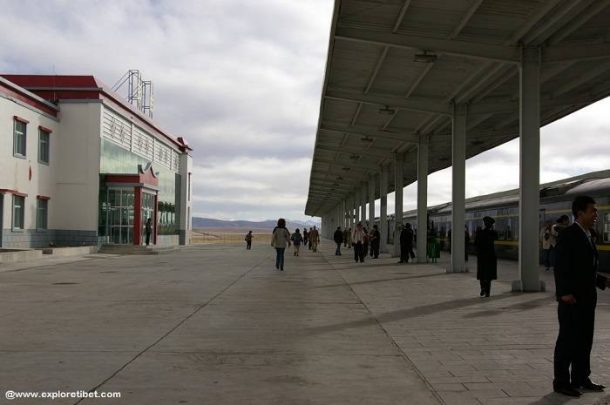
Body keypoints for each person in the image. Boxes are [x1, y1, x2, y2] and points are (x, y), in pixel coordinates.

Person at [552, 196, 609, 397]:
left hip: (587, 299)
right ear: (580, 213)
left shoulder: (587, 234)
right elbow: (561, 266)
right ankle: (561, 382)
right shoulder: (569, 235)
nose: (596, 215)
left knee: (585, 340)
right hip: (572, 299)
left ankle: (581, 378)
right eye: (593, 210)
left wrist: (602, 281)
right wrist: (564, 293)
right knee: (568, 341)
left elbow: (584, 269)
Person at [475, 216, 497, 297]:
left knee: (481, 274)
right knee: (489, 275)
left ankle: (482, 288)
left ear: (484, 224)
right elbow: (496, 237)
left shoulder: (479, 232)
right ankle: (487, 292)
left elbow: (475, 243)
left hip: (481, 257)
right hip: (490, 257)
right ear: (491, 225)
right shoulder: (493, 233)